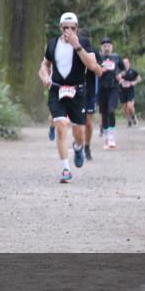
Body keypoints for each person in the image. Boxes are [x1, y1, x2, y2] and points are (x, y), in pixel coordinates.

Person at [38, 12, 102, 183]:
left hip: (78, 91)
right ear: (60, 28)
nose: (68, 31)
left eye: (72, 28)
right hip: (57, 90)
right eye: (65, 28)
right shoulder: (52, 44)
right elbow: (45, 64)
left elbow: (93, 66)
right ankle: (66, 168)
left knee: (79, 133)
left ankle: (79, 147)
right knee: (60, 125)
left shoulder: (85, 43)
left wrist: (77, 46)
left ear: (77, 28)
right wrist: (45, 76)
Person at [96, 37, 126, 149]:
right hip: (102, 88)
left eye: (108, 45)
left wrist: (121, 75)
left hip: (114, 88)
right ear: (101, 47)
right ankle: (106, 138)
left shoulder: (116, 57)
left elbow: (124, 69)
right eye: (104, 46)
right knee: (104, 113)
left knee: (111, 111)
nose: (106, 47)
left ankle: (112, 138)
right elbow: (93, 69)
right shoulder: (98, 57)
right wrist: (100, 70)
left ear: (111, 47)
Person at [78, 27, 99, 160]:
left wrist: (93, 64)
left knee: (88, 122)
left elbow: (99, 70)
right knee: (78, 122)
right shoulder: (71, 51)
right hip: (75, 90)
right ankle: (79, 144)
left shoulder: (94, 51)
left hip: (89, 90)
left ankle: (87, 146)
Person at [120, 57, 142, 126]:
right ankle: (129, 120)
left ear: (129, 63)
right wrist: (120, 81)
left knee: (130, 106)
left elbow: (139, 79)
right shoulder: (120, 72)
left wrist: (134, 82)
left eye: (126, 63)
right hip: (122, 91)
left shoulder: (133, 71)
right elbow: (116, 79)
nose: (125, 64)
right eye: (124, 63)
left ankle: (133, 116)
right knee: (124, 107)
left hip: (130, 91)